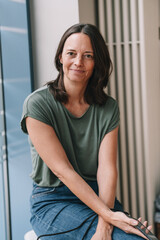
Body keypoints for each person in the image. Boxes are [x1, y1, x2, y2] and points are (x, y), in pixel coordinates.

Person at [21, 23, 152, 240]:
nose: (78, 62)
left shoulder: (108, 107)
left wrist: (105, 224)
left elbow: (107, 170)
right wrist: (110, 218)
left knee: (144, 237)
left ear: (96, 62)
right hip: (53, 200)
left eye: (88, 55)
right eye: (71, 53)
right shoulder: (37, 104)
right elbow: (64, 171)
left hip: (99, 198)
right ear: (61, 57)